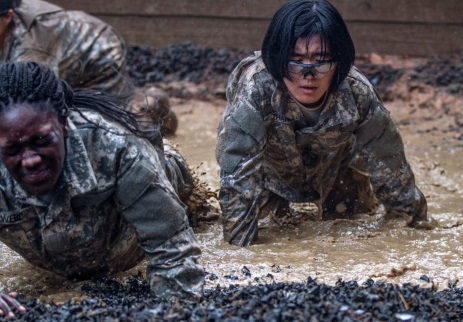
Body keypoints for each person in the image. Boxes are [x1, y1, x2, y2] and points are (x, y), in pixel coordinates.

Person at [215, 0, 434, 247]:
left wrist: (414, 235)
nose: (308, 75)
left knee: (351, 227)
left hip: (338, 171)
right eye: (295, 60)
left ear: (339, 61)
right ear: (277, 59)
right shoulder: (255, 90)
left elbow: (391, 165)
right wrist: (238, 251)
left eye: (321, 60)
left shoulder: (357, 93)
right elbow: (236, 176)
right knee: (265, 233)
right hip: (267, 176)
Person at [0, 61, 205, 318]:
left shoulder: (118, 148)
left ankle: (156, 116)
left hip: (150, 187)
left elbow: (175, 256)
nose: (30, 160)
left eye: (41, 141)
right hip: (61, 256)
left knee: (186, 195)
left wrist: (173, 313)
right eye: (12, 150)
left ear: (63, 126)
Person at [0, 0, 131, 99]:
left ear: (8, 16)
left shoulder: (32, 44)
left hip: (99, 55)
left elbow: (31, 94)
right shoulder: (7, 17)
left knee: (100, 122)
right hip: (63, 55)